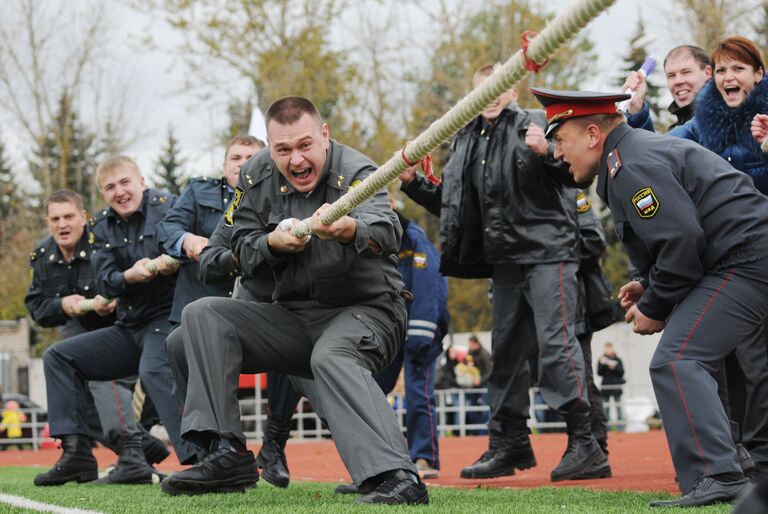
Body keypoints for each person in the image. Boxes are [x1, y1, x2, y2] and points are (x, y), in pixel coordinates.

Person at [163, 96, 428, 504]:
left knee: (331, 356)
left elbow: (388, 232)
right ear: (269, 147)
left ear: (324, 135)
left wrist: (347, 228)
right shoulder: (254, 177)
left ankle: (398, 476)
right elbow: (234, 251)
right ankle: (226, 452)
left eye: (305, 145)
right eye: (283, 149)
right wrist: (270, 243)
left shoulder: (357, 169)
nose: (296, 159)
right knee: (197, 319)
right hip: (293, 317)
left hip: (367, 310)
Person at [531, 86, 768, 506]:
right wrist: (650, 285)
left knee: (678, 359)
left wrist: (654, 306)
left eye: (560, 139)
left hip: (746, 259)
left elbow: (681, 240)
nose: (556, 152)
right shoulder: (627, 158)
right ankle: (726, 469)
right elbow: (680, 237)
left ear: (591, 134)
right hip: (741, 257)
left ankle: (719, 475)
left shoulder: (630, 163)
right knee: (685, 358)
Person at [400, 64, 607, 482]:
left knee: (557, 346)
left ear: (512, 91)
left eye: (498, 88)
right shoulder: (464, 140)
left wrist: (546, 152)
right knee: (506, 354)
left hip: (550, 252)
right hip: (505, 261)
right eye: (483, 89)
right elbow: (455, 205)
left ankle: (585, 443)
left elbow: (577, 174)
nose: (492, 96)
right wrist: (413, 184)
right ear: (473, 94)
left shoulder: (536, 124)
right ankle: (509, 442)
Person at [35, 156, 197, 487]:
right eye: (110, 187)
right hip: (129, 326)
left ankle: (201, 459)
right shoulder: (101, 227)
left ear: (142, 181)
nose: (119, 192)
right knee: (59, 357)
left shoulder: (170, 207)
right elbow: (106, 281)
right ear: (103, 194)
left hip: (167, 317)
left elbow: (189, 245)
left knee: (154, 372)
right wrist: (130, 275)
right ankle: (77, 454)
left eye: (125, 183)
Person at [162, 135, 303, 489]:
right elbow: (167, 229)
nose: (243, 163)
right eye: (235, 157)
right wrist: (190, 242)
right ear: (224, 165)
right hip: (210, 296)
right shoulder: (198, 191)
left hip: (264, 301)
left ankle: (274, 443)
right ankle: (216, 451)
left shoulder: (283, 192)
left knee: (283, 348)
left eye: (251, 157)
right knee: (181, 339)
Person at [24, 189, 169, 480]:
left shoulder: (103, 241)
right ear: (47, 222)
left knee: (104, 381)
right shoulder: (42, 256)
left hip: (124, 327)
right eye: (55, 218)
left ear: (83, 218)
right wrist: (62, 304)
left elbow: (135, 281)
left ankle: (132, 454)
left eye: (68, 216)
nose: (62, 224)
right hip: (77, 330)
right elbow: (37, 307)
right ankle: (138, 448)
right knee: (68, 384)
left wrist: (117, 299)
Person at [624, 45, 712, 131]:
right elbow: (652, 146)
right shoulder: (675, 132)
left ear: (707, 73)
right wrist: (636, 107)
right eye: (671, 75)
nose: (678, 81)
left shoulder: (721, 120)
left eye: (686, 72)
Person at [597, 342, 625, 427]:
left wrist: (614, 367)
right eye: (606, 348)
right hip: (606, 387)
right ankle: (606, 427)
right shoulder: (601, 360)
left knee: (618, 407)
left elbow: (622, 372)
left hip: (616, 387)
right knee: (606, 408)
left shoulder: (618, 359)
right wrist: (604, 364)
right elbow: (599, 373)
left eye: (610, 348)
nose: (608, 350)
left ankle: (621, 427)